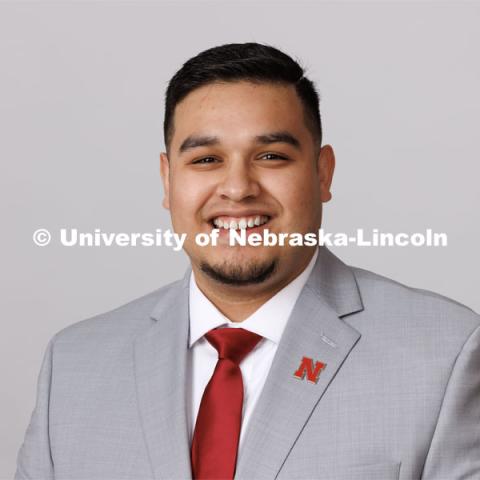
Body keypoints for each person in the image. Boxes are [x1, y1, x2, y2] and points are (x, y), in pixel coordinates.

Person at [15, 42, 480, 480]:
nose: (237, 188)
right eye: (205, 159)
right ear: (167, 179)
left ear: (322, 174)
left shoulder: (444, 354)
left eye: (271, 156)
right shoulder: (74, 364)